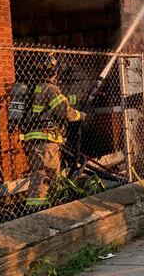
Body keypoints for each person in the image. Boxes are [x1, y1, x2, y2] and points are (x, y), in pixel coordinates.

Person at [24, 55, 86, 207]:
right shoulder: (50, 89)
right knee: (43, 177)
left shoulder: (33, 87)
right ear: (53, 72)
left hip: (35, 140)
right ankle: (37, 210)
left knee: (50, 176)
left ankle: (51, 206)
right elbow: (64, 111)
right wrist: (80, 115)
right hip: (46, 141)